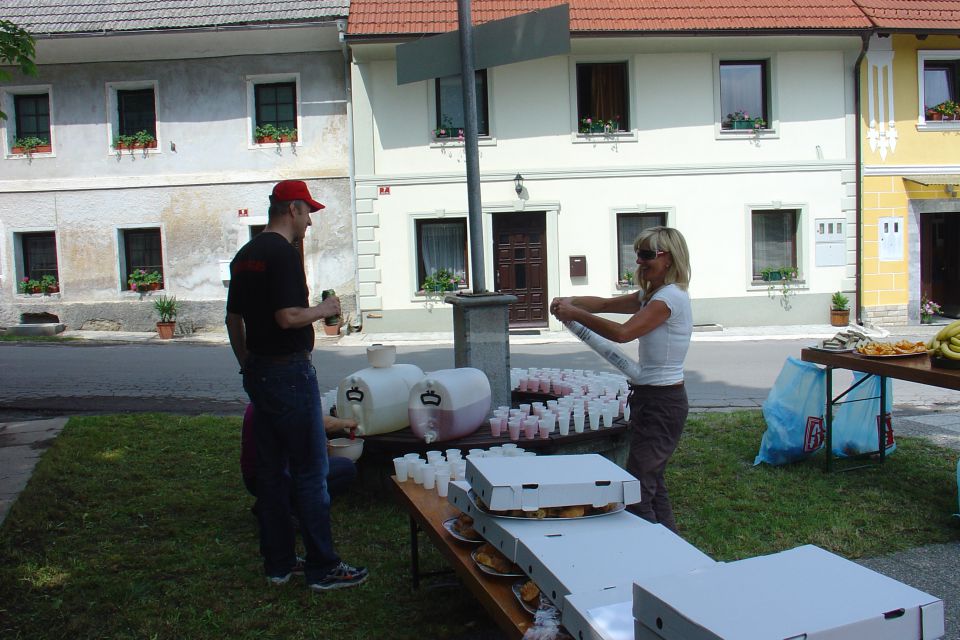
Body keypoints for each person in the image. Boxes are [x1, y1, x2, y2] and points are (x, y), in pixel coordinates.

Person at [226, 179, 368, 591]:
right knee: (310, 471)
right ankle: (324, 567)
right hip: (289, 372)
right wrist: (324, 309)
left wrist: (246, 363)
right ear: (292, 209)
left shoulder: (246, 255)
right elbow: (287, 317)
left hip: (261, 373)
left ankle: (279, 564)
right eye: (308, 213)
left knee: (272, 473)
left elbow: (234, 320)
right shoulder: (282, 255)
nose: (309, 223)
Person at [550, 226, 692, 533]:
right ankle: (675, 553)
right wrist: (569, 300)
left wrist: (573, 313)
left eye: (646, 254)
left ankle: (652, 556)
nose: (639, 261)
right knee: (652, 484)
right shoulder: (651, 295)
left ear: (668, 259)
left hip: (662, 404)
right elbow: (602, 304)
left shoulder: (668, 299)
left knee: (638, 493)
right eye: (637, 254)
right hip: (652, 399)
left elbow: (623, 332)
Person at [240, 403, 358, 502]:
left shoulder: (258, 400)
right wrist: (347, 423)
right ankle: (290, 504)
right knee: (346, 468)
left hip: (252, 478)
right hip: (272, 479)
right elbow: (321, 423)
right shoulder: (281, 403)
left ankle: (271, 502)